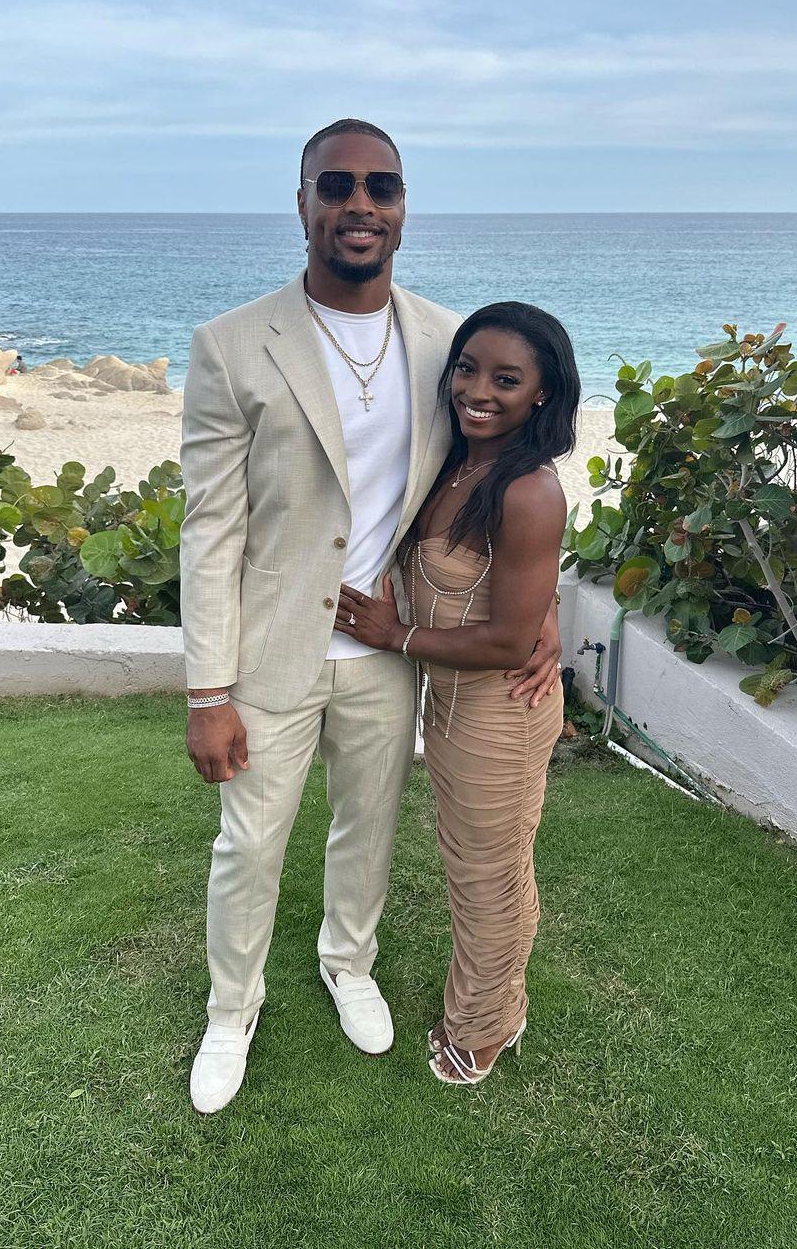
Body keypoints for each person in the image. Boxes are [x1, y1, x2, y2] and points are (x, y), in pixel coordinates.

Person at [179, 119, 562, 1114]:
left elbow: (510, 469)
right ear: (303, 202)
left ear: (402, 209)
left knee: (369, 828)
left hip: (388, 648)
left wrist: (543, 604)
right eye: (336, 185)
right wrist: (207, 689)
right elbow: (211, 528)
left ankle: (348, 964)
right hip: (271, 647)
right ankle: (233, 1010)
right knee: (250, 844)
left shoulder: (446, 341)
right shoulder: (231, 345)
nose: (359, 205)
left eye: (380, 187)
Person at [336, 301, 581, 1085]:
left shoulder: (527, 490)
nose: (478, 390)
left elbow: (508, 641)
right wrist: (547, 612)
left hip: (498, 711)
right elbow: (516, 593)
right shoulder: (457, 460)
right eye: (467, 370)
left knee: (490, 876)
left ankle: (485, 1025)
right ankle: (498, 1000)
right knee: (484, 864)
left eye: (507, 379)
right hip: (449, 705)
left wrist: (392, 636)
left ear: (542, 394)